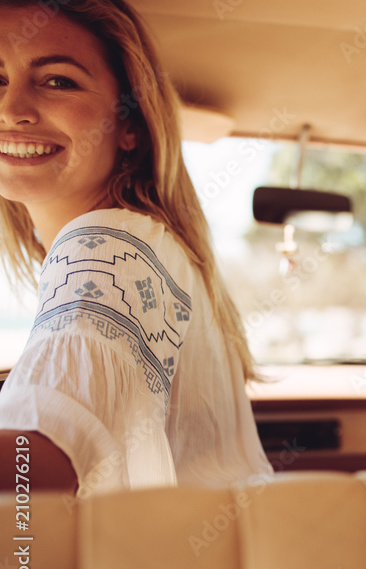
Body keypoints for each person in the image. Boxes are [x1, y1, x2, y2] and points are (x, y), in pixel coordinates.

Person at [0, 0, 272, 495]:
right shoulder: (146, 247)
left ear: (129, 125)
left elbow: (34, 467)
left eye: (58, 80)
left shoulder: (107, 251)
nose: (12, 109)